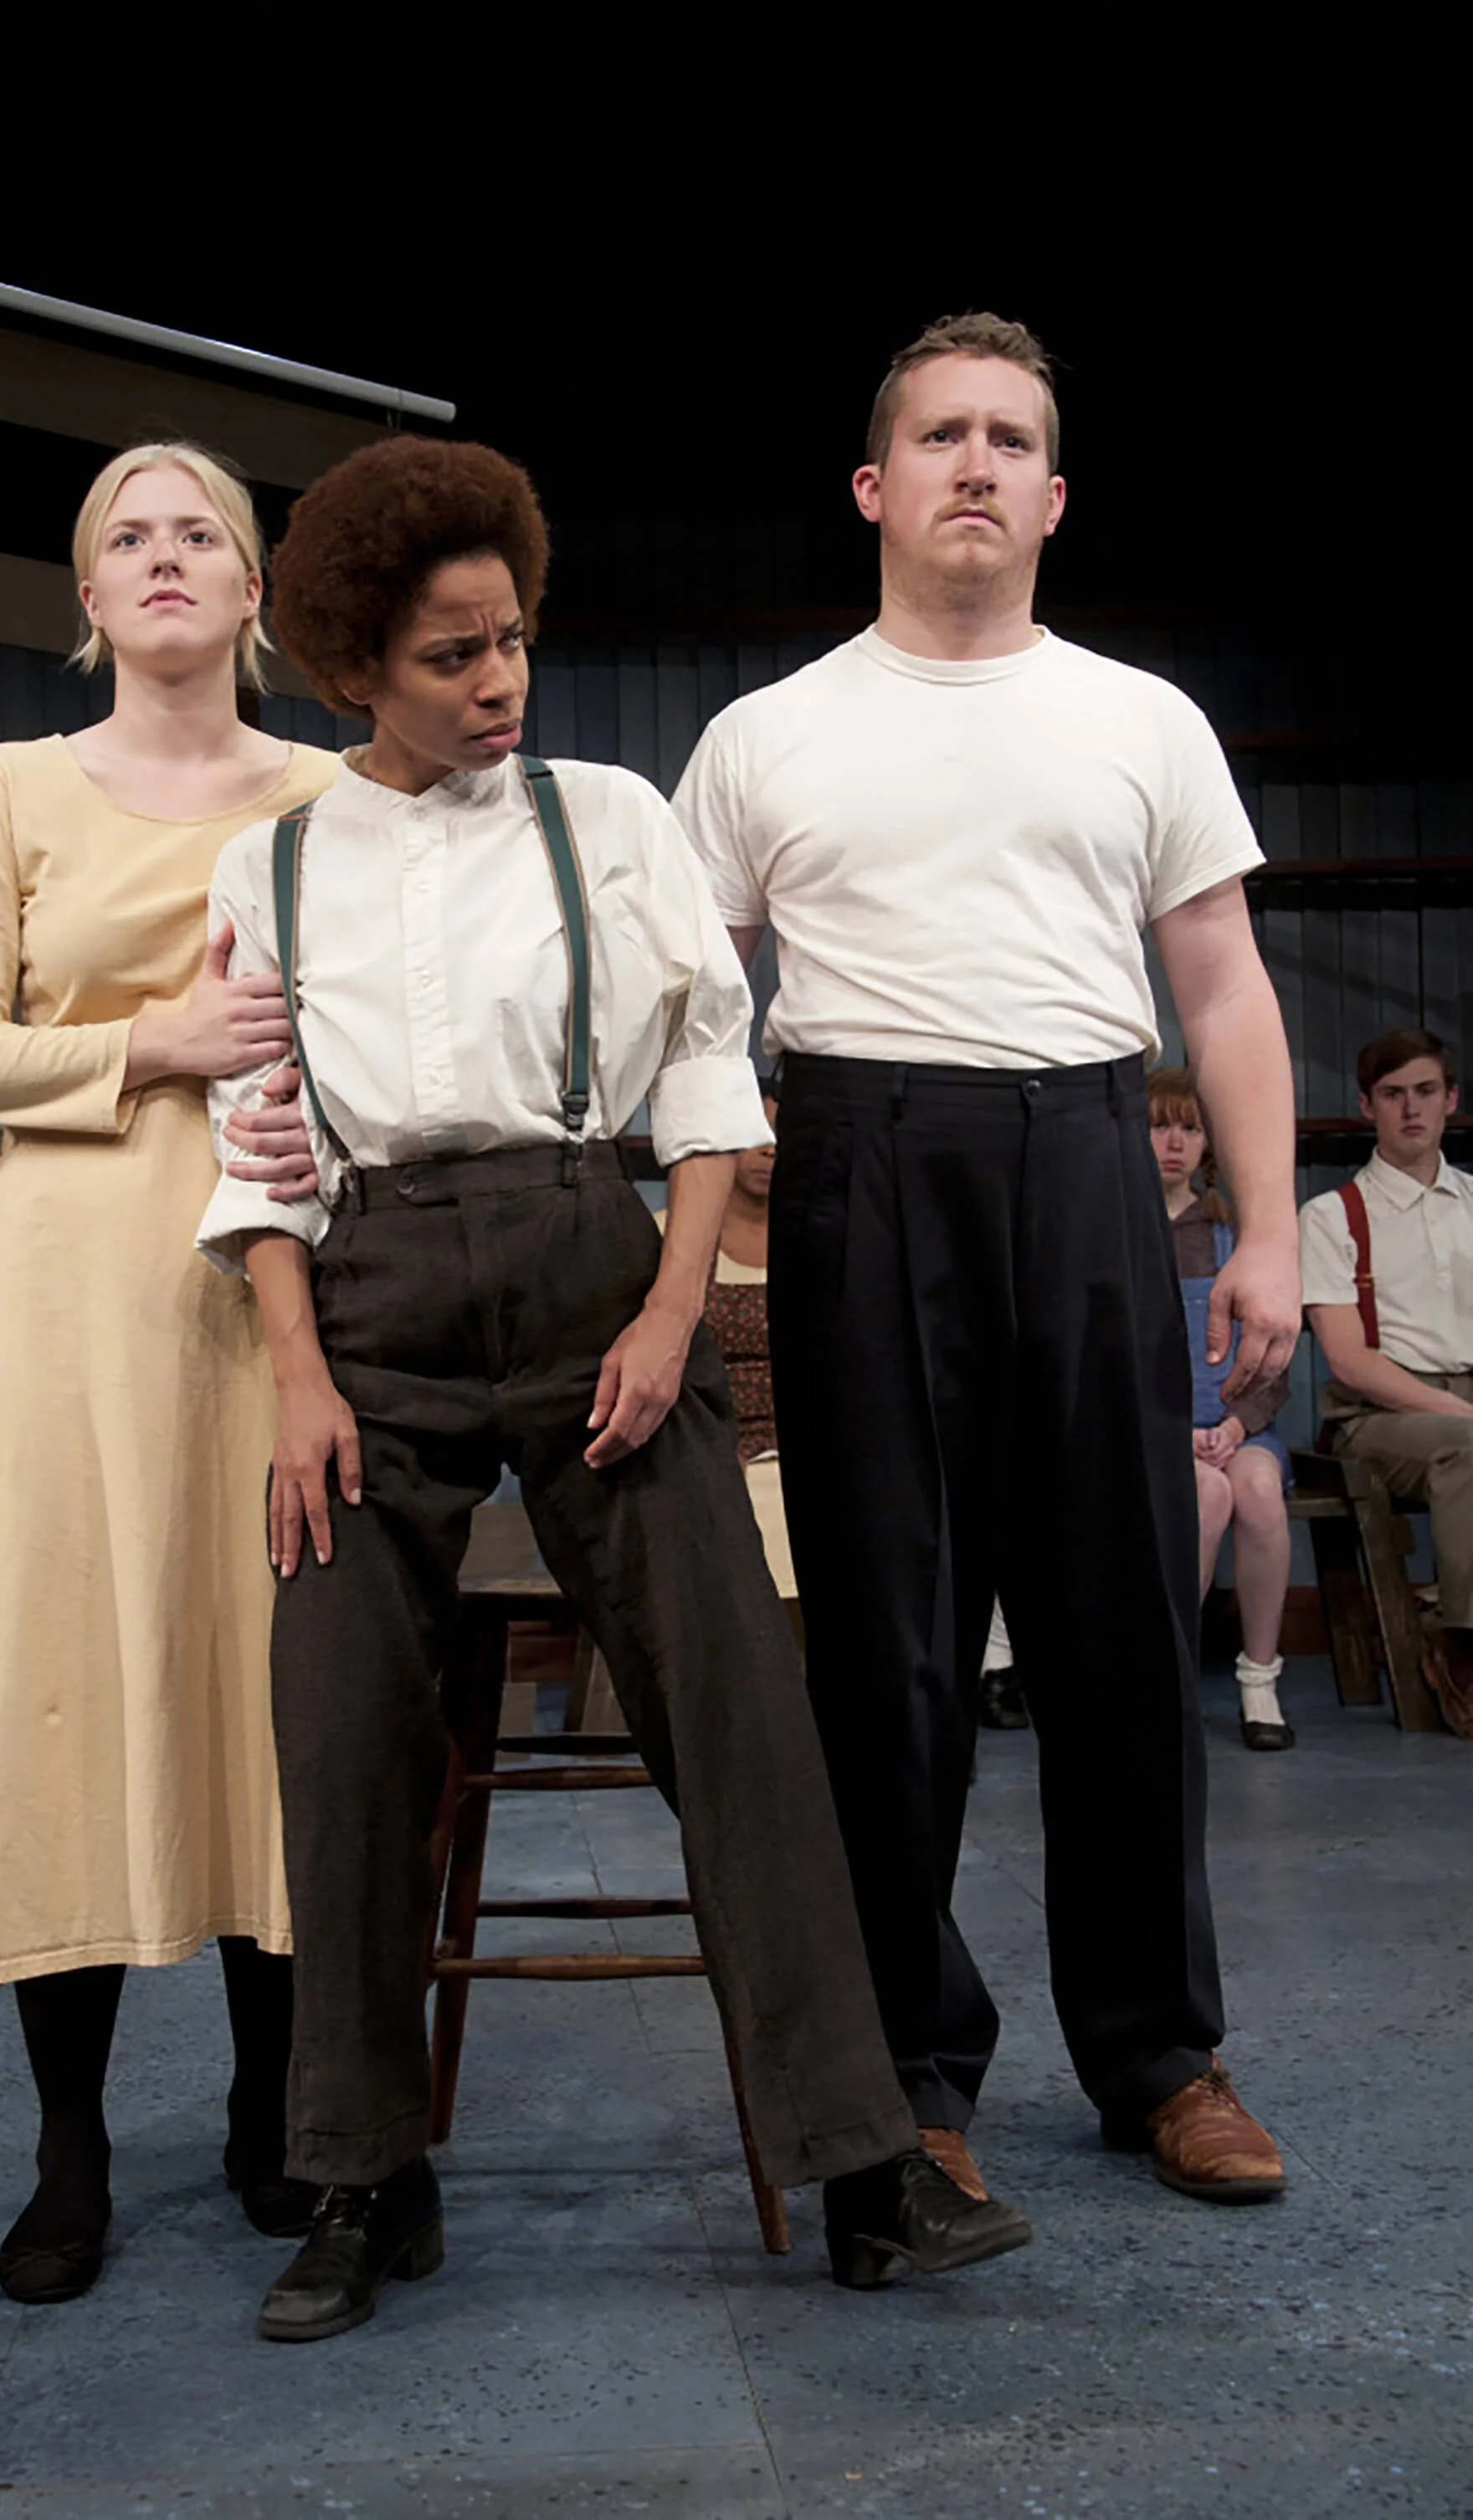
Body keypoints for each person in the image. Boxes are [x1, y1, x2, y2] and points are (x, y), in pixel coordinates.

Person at [194, 434, 1034, 2346]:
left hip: (595, 1268)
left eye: (509, 640)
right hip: (371, 1296)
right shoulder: (277, 861)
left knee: (739, 1697)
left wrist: (667, 1317)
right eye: (448, 656)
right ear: (354, 665)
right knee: (336, 1727)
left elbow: (710, 1092)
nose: (496, 682)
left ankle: (861, 2166)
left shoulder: (609, 818)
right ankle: (360, 2173)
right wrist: (300, 1382)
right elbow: (256, 1155)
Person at [674, 312, 1299, 2206]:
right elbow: (695, 1015)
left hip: (1088, 1156)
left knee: (1120, 1624)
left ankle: (1155, 2055)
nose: (968, 461)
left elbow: (1218, 985)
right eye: (934, 433)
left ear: (1047, 493)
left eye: (1002, 436)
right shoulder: (764, 732)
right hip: (855, 1168)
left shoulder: (1138, 717)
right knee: (885, 1648)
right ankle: (902, 2066)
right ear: (872, 485)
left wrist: (1264, 1232)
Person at [0, 443, 342, 2303]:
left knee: (274, 1692)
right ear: (85, 603)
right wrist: (153, 1044)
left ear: (254, 592)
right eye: (127, 540)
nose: (165, 560)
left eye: (201, 537)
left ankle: (270, 2120)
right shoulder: (10, 787)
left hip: (276, 1303)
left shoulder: (334, 794)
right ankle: (69, 2149)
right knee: (69, 1697)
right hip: (68, 1305)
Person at [1300, 1027, 1473, 1736]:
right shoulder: (1332, 1216)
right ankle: (1463, 1649)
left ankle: (1443, 1606)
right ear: (1367, 1106)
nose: (1411, 1109)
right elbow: (1350, 1360)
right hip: (1376, 1413)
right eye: (1393, 1095)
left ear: (1451, 1100)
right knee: (1464, 1450)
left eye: (1425, 1092)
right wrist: (1458, 1413)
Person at [1149, 1066, 1296, 1749]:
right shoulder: (1119, 1234)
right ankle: (1166, 1679)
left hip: (1238, 1426)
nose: (1173, 1142)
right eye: (1158, 1126)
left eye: (1189, 1127)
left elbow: (1270, 1358)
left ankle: (1258, 1681)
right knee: (1205, 1498)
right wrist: (1175, 1435)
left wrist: (1238, 1425)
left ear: (1209, 1143)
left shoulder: (1232, 1237)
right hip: (1156, 1435)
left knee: (1259, 1495)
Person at [658, 1085, 795, 1601]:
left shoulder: (826, 1249)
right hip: (708, 1463)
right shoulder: (668, 1247)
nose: (769, 1148)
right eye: (755, 1135)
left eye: (782, 1135)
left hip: (806, 1463)